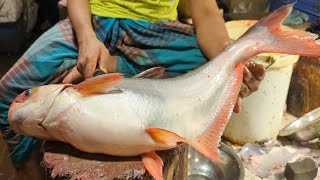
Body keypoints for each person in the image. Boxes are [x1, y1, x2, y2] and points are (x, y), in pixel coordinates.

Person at [0, 0, 265, 168]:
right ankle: (27, 170)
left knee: (207, 70)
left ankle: (111, 67)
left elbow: (206, 14)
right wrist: (86, 40)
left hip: (154, 32)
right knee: (9, 90)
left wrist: (227, 63)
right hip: (92, 24)